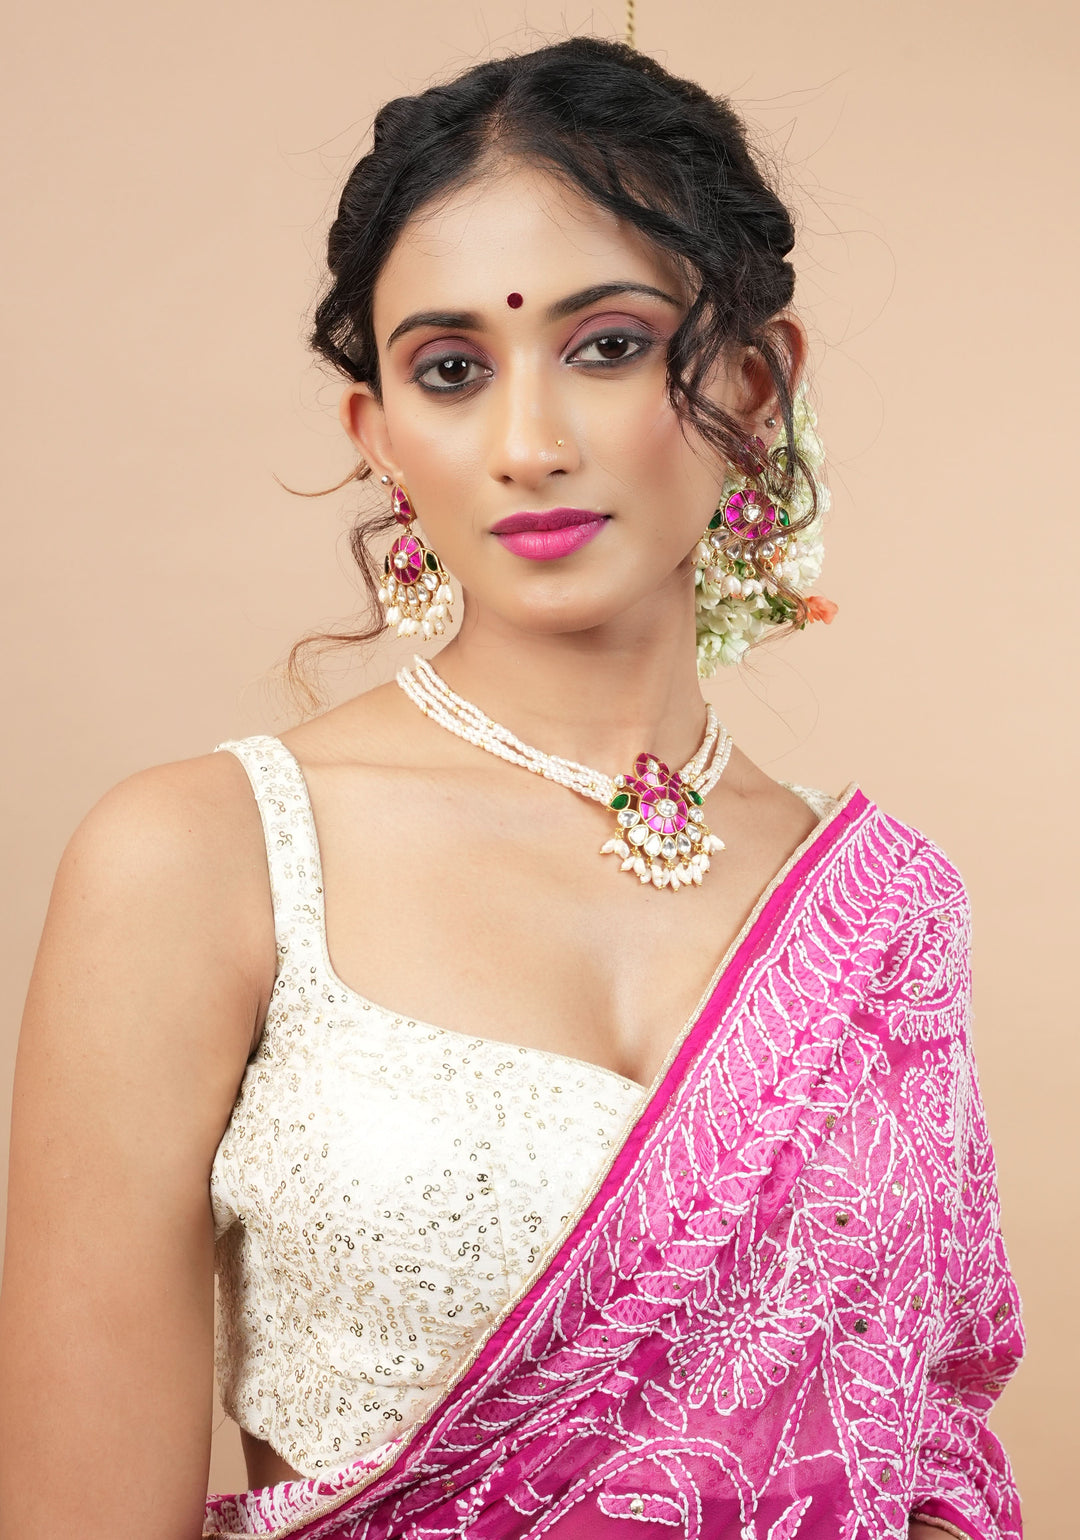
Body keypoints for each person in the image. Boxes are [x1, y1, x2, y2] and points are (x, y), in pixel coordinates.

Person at [0, 37, 1022, 1540]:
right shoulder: (200, 860)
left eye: (607, 346)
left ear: (756, 383)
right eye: (451, 370)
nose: (528, 445)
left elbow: (928, 1461)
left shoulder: (886, 910)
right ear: (379, 438)